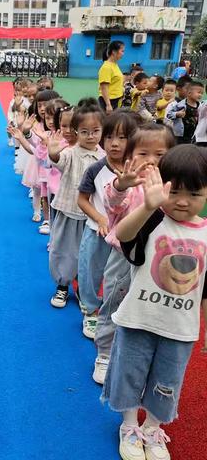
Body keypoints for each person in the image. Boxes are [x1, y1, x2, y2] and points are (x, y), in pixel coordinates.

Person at [102, 145, 207, 460]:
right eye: (174, 191)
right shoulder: (153, 220)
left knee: (168, 380)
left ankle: (153, 428)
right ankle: (130, 425)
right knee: (130, 372)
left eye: (194, 193)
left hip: (180, 328)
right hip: (138, 319)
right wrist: (148, 206)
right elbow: (123, 234)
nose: (183, 201)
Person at [93, 123, 175, 385]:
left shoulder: (173, 187)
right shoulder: (129, 185)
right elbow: (112, 204)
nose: (151, 160)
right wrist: (120, 184)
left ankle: (140, 356)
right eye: (143, 153)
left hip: (156, 262)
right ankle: (105, 353)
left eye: (160, 154)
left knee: (146, 309)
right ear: (130, 157)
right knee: (113, 302)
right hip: (123, 258)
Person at [77, 111, 135, 339]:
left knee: (120, 278)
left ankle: (115, 311)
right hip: (97, 230)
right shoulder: (96, 169)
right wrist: (100, 218)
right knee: (91, 270)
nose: (115, 143)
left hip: (125, 235)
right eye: (110, 137)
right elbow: (82, 199)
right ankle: (90, 310)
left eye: (122, 137)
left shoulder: (137, 169)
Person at [48, 99, 105, 307]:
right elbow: (59, 161)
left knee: (89, 254)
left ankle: (83, 288)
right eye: (84, 132)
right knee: (64, 249)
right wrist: (53, 152)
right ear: (76, 132)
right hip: (69, 210)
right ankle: (62, 285)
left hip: (92, 216)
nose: (90, 136)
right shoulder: (71, 153)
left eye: (95, 131)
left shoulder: (104, 156)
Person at [166, 80, 204, 144]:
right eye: (199, 92)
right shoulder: (181, 105)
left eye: (202, 93)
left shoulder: (200, 106)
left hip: (193, 135)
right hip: (181, 135)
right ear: (189, 93)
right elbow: (169, 114)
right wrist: (177, 114)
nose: (200, 95)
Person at [98, 41, 125, 112]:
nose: (123, 54)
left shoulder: (115, 65)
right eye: (122, 51)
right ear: (114, 52)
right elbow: (104, 87)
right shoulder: (106, 67)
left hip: (116, 99)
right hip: (109, 101)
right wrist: (108, 105)